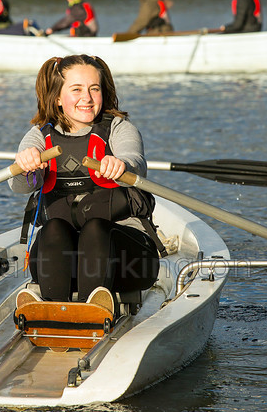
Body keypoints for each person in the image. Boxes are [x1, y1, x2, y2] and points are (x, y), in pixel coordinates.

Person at [10, 55, 161, 311]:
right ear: (58, 97)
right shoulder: (38, 136)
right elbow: (20, 186)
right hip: (65, 261)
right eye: (77, 89)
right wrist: (26, 166)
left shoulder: (119, 128)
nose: (87, 98)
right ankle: (53, 309)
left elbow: (136, 161)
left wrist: (121, 164)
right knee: (53, 228)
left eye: (94, 89)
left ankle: (93, 310)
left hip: (128, 261)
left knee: (94, 229)